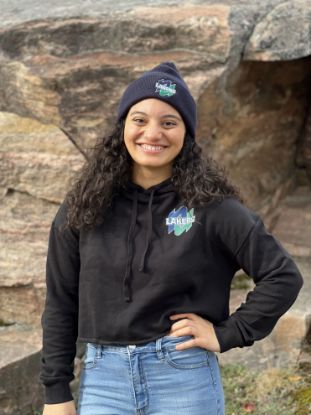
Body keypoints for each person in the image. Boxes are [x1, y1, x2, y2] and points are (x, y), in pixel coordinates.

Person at [40, 62, 304, 415]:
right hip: (103, 382)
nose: (153, 133)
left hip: (183, 378)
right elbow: (61, 301)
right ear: (123, 127)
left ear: (186, 133)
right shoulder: (85, 206)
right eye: (140, 120)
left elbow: (283, 276)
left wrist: (228, 332)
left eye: (169, 122)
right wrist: (56, 392)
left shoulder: (212, 208)